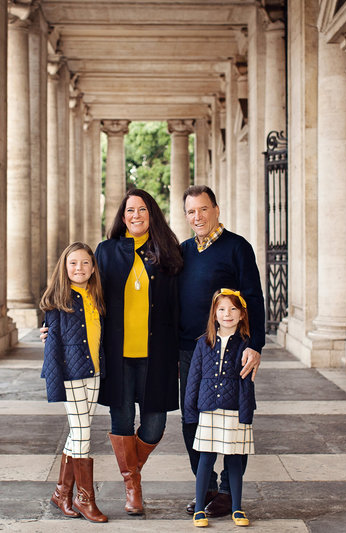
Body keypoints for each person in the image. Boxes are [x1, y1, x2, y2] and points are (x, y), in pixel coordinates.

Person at [94, 188, 184, 515]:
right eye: (130, 210)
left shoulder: (168, 253)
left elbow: (177, 305)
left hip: (156, 354)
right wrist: (55, 319)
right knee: (120, 419)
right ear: (122, 216)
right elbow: (86, 292)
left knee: (154, 426)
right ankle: (132, 487)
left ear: (152, 215)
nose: (136, 216)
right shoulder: (105, 252)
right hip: (117, 356)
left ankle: (132, 470)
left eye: (142, 210)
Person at [179, 185, 265, 518]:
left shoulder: (237, 248)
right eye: (191, 212)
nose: (197, 217)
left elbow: (254, 298)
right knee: (191, 420)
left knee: (234, 419)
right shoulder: (183, 251)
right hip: (190, 350)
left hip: (231, 350)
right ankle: (209, 488)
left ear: (216, 209)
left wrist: (255, 344)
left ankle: (229, 492)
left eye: (203, 209)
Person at [40, 242, 108, 523]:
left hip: (94, 373)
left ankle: (61, 493)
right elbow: (52, 347)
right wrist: (55, 385)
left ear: (93, 268)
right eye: (73, 263)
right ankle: (85, 500)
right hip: (71, 376)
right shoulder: (58, 301)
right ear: (64, 268)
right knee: (82, 435)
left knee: (78, 433)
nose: (79, 268)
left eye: (84, 263)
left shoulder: (96, 297)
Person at [184, 289, 256, 527]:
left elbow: (247, 384)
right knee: (206, 458)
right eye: (222, 309)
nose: (228, 314)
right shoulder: (204, 343)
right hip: (208, 410)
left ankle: (236, 508)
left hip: (234, 409)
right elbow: (193, 378)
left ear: (242, 315)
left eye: (233, 309)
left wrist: (247, 414)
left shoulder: (245, 346)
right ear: (214, 314)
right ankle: (200, 511)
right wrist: (191, 410)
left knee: (234, 459)